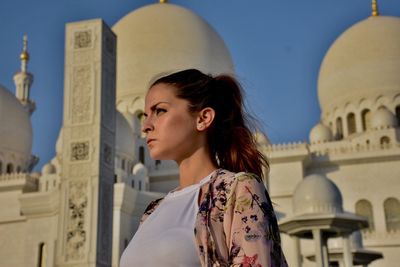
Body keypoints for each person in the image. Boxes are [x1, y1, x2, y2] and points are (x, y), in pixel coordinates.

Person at [120, 69, 287, 267]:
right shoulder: (152, 211)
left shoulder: (238, 190)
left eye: (160, 111)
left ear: (203, 118)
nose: (146, 125)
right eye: (144, 114)